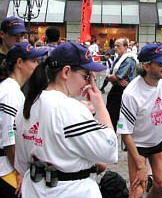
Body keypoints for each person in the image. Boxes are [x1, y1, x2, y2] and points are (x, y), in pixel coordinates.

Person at [14, 41, 118, 197]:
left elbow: (21, 163)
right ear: (66, 72)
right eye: (86, 75)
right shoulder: (70, 109)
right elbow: (110, 150)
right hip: (71, 191)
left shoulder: (28, 104)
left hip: (35, 189)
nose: (88, 81)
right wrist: (100, 106)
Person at [117, 43, 162, 198]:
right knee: (137, 192)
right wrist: (141, 165)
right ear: (147, 67)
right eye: (161, 64)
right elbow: (125, 133)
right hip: (138, 145)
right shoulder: (131, 94)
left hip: (158, 141)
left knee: (161, 184)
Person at [0, 42, 46, 197]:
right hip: (5, 169)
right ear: (19, 63)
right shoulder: (11, 93)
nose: (37, 65)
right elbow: (9, 140)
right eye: (33, 61)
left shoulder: (10, 89)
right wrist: (19, 172)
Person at [106, 38, 138, 132]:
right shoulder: (119, 58)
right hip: (117, 90)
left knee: (120, 118)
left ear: (125, 47)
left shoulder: (128, 59)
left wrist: (111, 77)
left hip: (122, 92)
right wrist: (112, 77)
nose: (115, 48)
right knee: (112, 117)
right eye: (114, 46)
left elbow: (117, 76)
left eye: (118, 46)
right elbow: (113, 75)